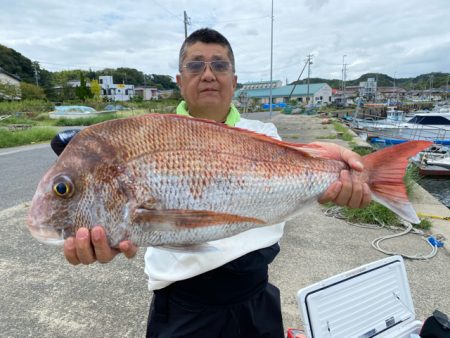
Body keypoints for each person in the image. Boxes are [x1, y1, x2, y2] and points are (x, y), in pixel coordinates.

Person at [62, 28, 371, 337]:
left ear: (234, 81)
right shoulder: (148, 136)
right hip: (185, 306)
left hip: (256, 296)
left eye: (219, 65)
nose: (208, 74)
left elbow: (301, 166)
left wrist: (339, 168)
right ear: (179, 81)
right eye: (195, 65)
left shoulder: (266, 136)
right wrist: (111, 230)